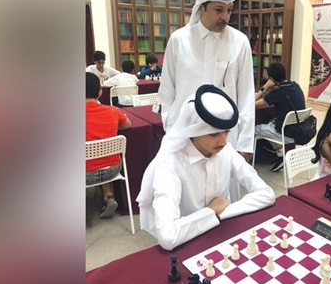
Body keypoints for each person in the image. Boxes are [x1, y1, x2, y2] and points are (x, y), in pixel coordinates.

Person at [137, 85, 275, 251]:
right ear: (192, 130)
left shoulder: (227, 151)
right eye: (213, 134)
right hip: (188, 245)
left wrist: (220, 213)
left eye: (226, 132)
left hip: (223, 234)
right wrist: (210, 212)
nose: (223, 141)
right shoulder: (169, 164)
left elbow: (266, 194)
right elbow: (168, 237)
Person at [159, 0, 255, 166]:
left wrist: (245, 143)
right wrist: (171, 129)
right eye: (219, 10)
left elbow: (246, 94)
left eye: (229, 10)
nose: (225, 17)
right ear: (201, 7)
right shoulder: (179, 40)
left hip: (225, 137)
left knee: (223, 191)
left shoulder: (239, 42)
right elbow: (167, 90)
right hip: (184, 134)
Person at [86, 72, 132, 218]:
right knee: (103, 158)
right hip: (112, 170)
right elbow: (128, 125)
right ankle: (109, 196)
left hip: (85, 174)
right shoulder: (112, 111)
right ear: (100, 92)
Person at [254, 62, 306, 172]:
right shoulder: (296, 85)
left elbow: (252, 103)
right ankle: (280, 154)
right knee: (270, 123)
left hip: (287, 133)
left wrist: (265, 87)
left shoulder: (278, 92)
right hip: (300, 129)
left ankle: (277, 154)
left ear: (271, 79)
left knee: (255, 128)